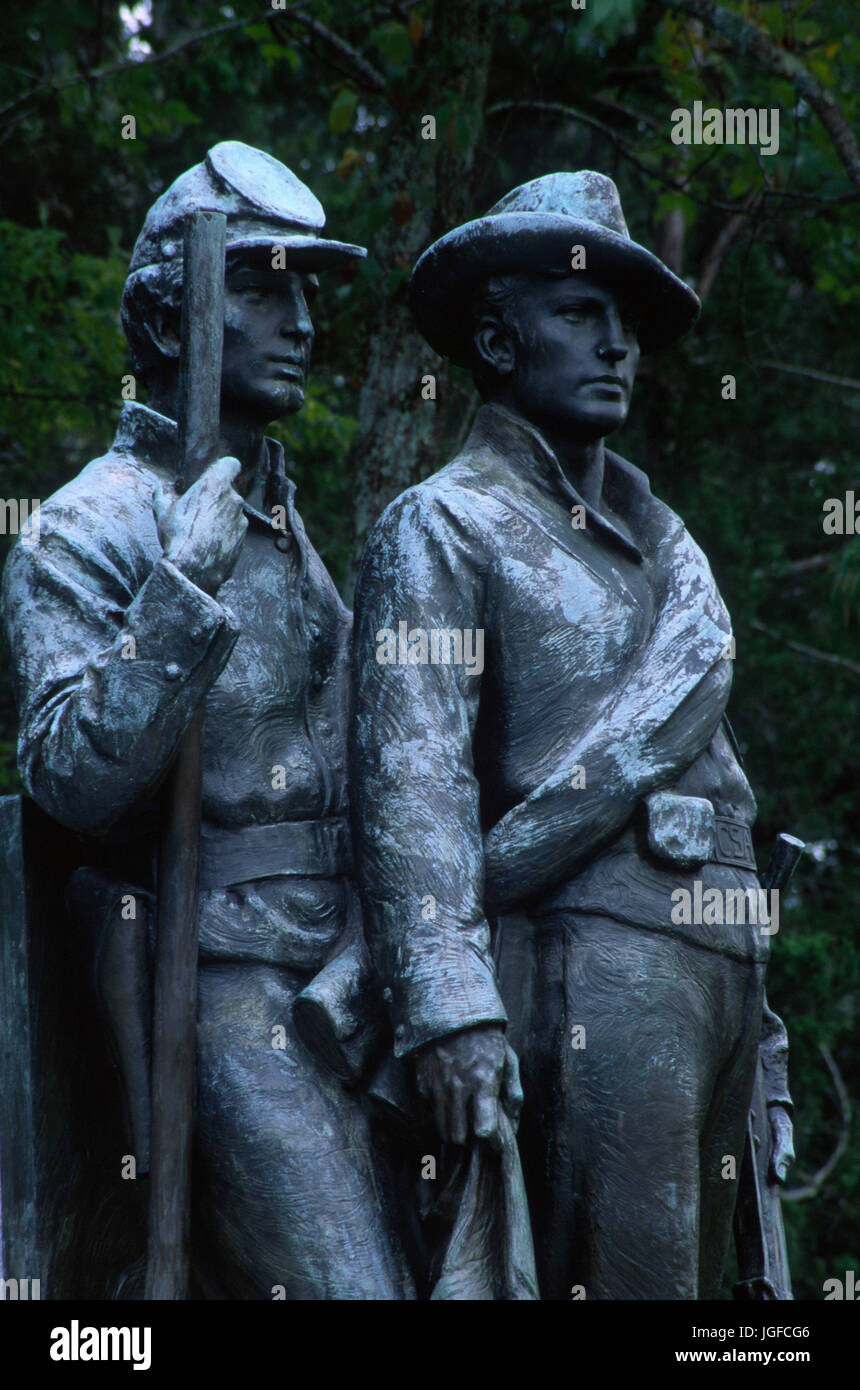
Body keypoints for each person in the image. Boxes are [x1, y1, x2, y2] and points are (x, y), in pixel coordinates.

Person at [348, 171, 794, 1300]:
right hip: (584, 963)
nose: (615, 346)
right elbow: (415, 778)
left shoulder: (660, 549)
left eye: (625, 325)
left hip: (716, 978)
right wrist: (447, 1007)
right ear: (497, 341)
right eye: (580, 314)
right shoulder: (445, 523)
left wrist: (768, 1049)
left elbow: (720, 789)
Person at [1, 141, 412, 1300]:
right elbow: (67, 776)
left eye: (310, 290)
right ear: (176, 324)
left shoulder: (288, 531)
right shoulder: (89, 528)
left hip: (343, 973)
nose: (303, 320)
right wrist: (178, 597)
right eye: (264, 285)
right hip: (219, 975)